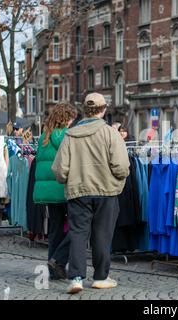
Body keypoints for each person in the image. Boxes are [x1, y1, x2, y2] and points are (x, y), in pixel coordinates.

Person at [52, 93, 130, 294]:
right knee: (102, 236)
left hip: (78, 192)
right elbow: (121, 166)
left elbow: (60, 171)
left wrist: (70, 180)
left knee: (78, 234)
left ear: (84, 110)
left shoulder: (70, 135)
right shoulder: (110, 133)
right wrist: (119, 180)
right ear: (104, 110)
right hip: (106, 192)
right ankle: (101, 277)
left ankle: (76, 279)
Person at [33, 102, 77, 280]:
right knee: (78, 227)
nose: (72, 123)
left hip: (47, 192)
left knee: (55, 229)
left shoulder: (45, 135)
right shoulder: (67, 136)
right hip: (63, 188)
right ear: (67, 119)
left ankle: (54, 268)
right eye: (72, 119)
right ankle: (58, 260)